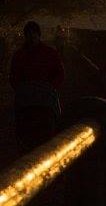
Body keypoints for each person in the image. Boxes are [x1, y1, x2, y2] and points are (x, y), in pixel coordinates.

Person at [9, 20, 65, 153]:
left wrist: (51, 87)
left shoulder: (49, 53)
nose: (31, 38)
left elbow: (59, 73)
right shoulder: (20, 55)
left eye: (33, 35)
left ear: (38, 35)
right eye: (29, 35)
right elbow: (13, 76)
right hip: (28, 94)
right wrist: (21, 89)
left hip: (45, 93)